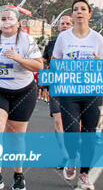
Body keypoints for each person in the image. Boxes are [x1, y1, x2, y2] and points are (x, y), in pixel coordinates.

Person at [0, 7, 43, 190]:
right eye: (3, 18)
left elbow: (39, 66)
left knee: (16, 137)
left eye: (10, 19)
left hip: (23, 92)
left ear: (18, 23)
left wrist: (19, 58)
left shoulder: (26, 40)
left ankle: (18, 174)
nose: (6, 22)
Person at [52, 0, 103, 190]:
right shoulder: (64, 38)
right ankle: (70, 158)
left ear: (89, 14)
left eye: (83, 9)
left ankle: (85, 174)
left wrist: (100, 62)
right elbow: (54, 62)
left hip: (92, 92)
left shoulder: (97, 39)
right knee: (71, 131)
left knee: (89, 135)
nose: (79, 12)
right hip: (69, 92)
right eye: (75, 9)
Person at [42, 14, 73, 169]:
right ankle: (65, 156)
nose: (65, 26)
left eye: (68, 23)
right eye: (62, 23)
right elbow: (44, 62)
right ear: (58, 27)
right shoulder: (51, 44)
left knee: (75, 124)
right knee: (58, 122)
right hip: (57, 88)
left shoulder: (79, 43)